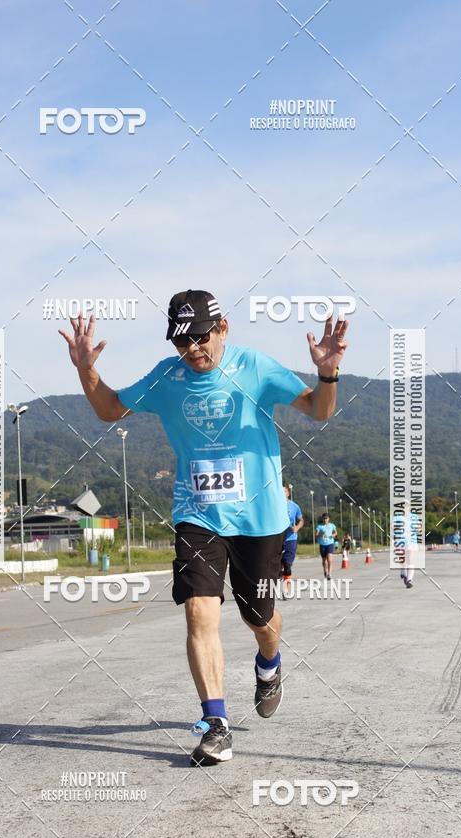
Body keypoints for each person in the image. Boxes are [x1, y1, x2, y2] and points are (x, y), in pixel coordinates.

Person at [59, 289, 348, 766]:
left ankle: (269, 665)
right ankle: (215, 723)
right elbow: (110, 409)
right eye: (181, 341)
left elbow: (318, 409)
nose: (192, 350)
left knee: (259, 618)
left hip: (259, 520)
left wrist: (327, 371)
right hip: (198, 514)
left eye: (200, 338)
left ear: (223, 328)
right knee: (198, 612)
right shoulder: (167, 377)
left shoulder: (255, 366)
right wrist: (85, 369)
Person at [281, 485, 304, 592]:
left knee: (287, 564)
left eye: (284, 491)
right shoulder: (273, 506)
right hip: (277, 539)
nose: (282, 493)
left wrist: (297, 527)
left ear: (288, 493)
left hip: (291, 538)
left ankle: (286, 590)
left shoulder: (294, 506)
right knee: (276, 565)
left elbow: (301, 520)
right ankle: (280, 575)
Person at [394, 504, 421, 588]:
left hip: (412, 542)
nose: (405, 508)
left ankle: (409, 580)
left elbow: (419, 528)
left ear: (409, 507)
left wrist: (418, 528)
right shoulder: (397, 517)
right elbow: (392, 527)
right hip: (401, 541)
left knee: (410, 559)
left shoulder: (414, 516)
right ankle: (403, 572)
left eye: (406, 506)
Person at [315, 513, 338, 580]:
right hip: (322, 545)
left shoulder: (332, 525)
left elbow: (336, 532)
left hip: (330, 543)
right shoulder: (319, 526)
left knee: (329, 559)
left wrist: (333, 535)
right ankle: (325, 570)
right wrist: (320, 534)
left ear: (328, 519)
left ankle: (329, 574)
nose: (325, 520)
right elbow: (316, 534)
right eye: (324, 518)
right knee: (324, 560)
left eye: (326, 518)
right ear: (322, 519)